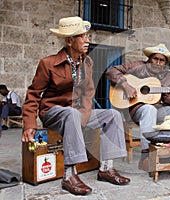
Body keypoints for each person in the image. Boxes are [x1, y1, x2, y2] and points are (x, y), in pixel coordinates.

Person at [21, 16, 130, 196]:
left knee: (112, 115)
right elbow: (33, 94)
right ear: (69, 41)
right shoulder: (47, 63)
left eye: (87, 36)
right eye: (82, 37)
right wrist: (29, 125)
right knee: (72, 114)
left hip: (78, 112)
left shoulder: (87, 62)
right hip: (53, 111)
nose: (88, 40)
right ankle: (69, 175)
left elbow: (88, 93)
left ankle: (106, 168)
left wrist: (84, 116)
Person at [106, 43, 170, 171]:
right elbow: (111, 71)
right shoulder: (137, 66)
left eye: (161, 60)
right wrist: (126, 85)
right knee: (149, 109)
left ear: (165, 63)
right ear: (149, 59)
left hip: (158, 109)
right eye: (155, 59)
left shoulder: (168, 76)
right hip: (136, 109)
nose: (157, 63)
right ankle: (146, 156)